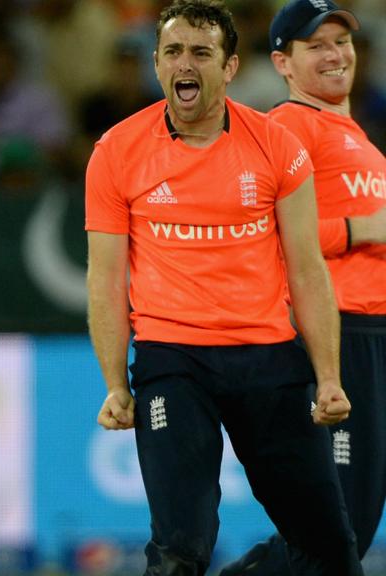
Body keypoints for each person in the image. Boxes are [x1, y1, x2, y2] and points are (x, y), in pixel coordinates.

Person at [85, 1, 364, 574]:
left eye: (201, 52)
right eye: (172, 52)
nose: (184, 63)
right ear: (158, 65)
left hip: (268, 359)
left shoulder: (276, 146)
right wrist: (115, 382)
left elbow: (307, 268)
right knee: (178, 553)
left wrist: (329, 376)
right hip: (173, 361)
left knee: (332, 553)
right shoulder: (116, 151)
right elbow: (106, 276)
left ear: (230, 66)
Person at [220, 1, 386, 574]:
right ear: (282, 63)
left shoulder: (351, 131)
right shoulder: (287, 126)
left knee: (348, 529)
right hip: (338, 332)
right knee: (339, 528)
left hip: (370, 332)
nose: (337, 55)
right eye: (317, 45)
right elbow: (256, 230)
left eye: (342, 42)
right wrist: (361, 228)